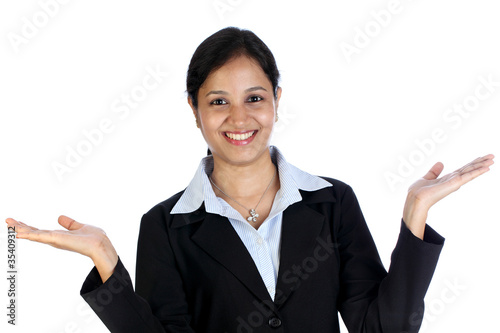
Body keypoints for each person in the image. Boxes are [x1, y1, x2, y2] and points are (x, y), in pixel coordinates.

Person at [6, 27, 494, 333]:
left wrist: (414, 221)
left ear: (277, 100)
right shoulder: (165, 226)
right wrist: (109, 266)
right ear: (194, 110)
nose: (239, 118)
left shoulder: (332, 202)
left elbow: (381, 329)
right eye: (218, 101)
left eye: (254, 98)